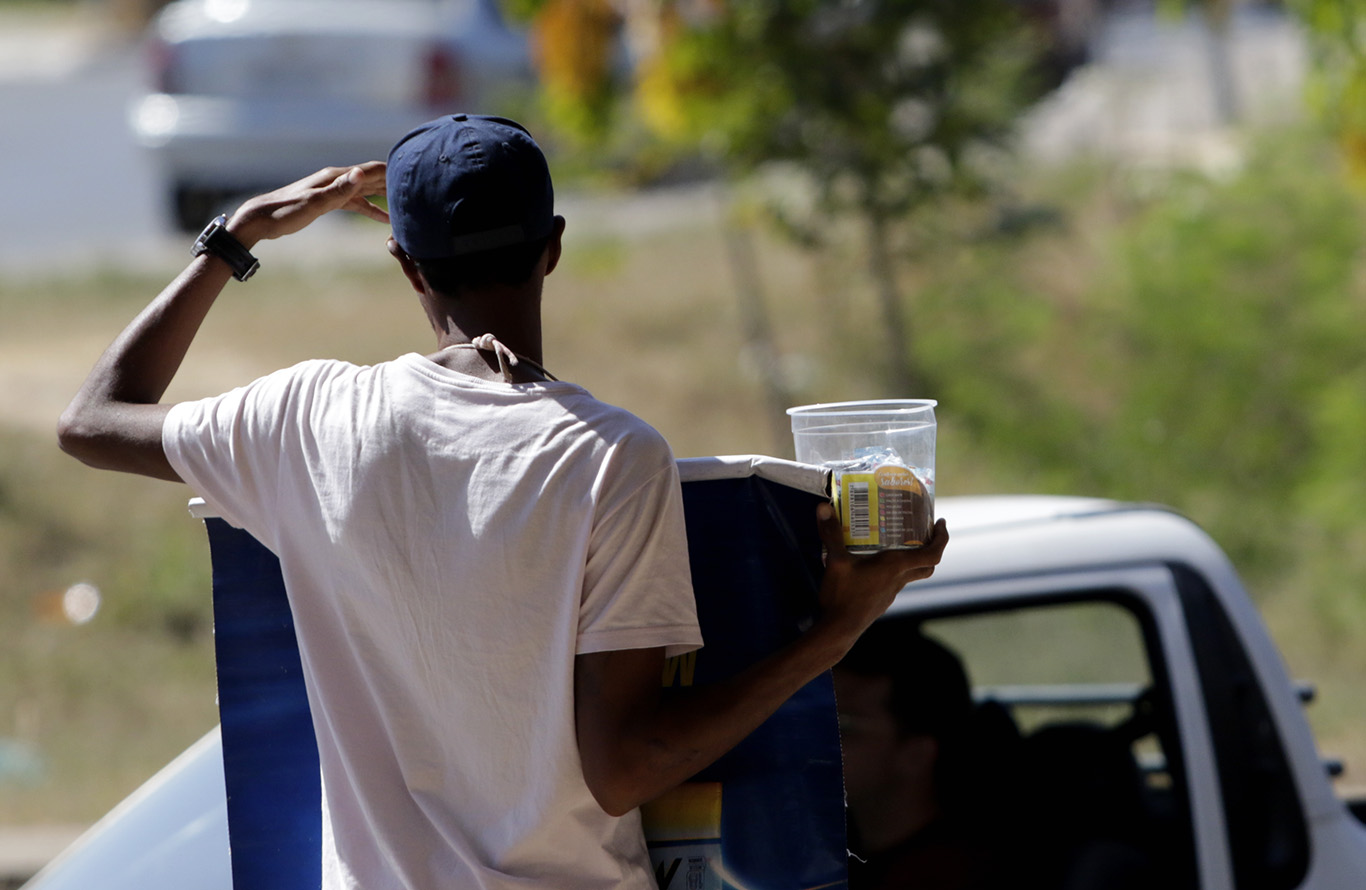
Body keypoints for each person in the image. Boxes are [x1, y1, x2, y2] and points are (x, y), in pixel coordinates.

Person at [57, 113, 949, 890]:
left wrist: (238, 235)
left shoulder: (305, 418)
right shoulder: (609, 456)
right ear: (552, 247)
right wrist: (837, 629)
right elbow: (624, 767)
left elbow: (92, 420)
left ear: (406, 265)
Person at [835, 625, 1001, 890]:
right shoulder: (842, 846)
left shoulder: (945, 874)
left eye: (845, 726)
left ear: (915, 754)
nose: (816, 740)